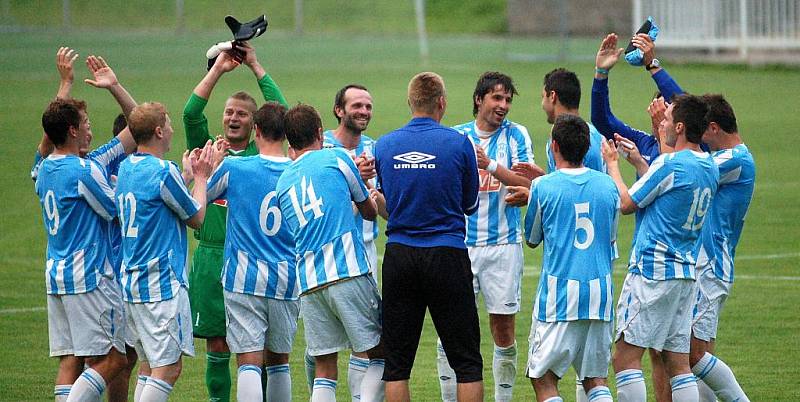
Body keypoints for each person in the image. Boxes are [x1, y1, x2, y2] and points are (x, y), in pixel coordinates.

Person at [183, 42, 288, 402]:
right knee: (218, 342)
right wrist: (218, 70)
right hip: (213, 257)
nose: (232, 118)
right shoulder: (208, 152)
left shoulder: (262, 156)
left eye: (242, 114)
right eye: (229, 112)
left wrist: (257, 67)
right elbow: (191, 113)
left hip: (250, 258)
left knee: (256, 352)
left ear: (255, 124)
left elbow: (282, 113)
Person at [33, 47, 139, 402]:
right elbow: (115, 209)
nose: (90, 129)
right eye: (86, 123)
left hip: (57, 275)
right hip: (90, 275)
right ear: (74, 130)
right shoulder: (85, 170)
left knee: (71, 358)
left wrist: (67, 87)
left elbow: (137, 127)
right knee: (114, 358)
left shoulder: (43, 169)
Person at [601, 94, 719, 402]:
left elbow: (627, 203)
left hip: (652, 273)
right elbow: (668, 195)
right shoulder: (709, 166)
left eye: (665, 119)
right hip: (685, 275)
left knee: (624, 359)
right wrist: (640, 163)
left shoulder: (669, 164)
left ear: (679, 127)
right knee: (677, 363)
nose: (661, 124)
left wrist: (613, 166)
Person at [375, 72, 482, 402]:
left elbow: (386, 200)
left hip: (400, 254)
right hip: (446, 253)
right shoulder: (459, 143)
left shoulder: (385, 145)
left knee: (396, 365)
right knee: (466, 364)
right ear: (442, 103)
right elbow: (471, 204)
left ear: (410, 102)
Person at [275, 104, 384, 402]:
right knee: (380, 353)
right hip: (348, 272)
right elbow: (368, 211)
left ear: (290, 140)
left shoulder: (283, 182)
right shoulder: (336, 157)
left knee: (324, 367)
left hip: (309, 283)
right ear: (320, 133)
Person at [437, 71, 533, 402]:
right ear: (480, 99)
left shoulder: (517, 136)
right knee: (450, 329)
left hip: (504, 245)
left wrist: (490, 165)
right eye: (497, 97)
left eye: (507, 99)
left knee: (503, 329)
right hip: (459, 246)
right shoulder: (455, 137)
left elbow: (528, 182)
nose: (503, 105)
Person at [116, 102, 213, 401]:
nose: (172, 130)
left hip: (132, 284)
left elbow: (159, 201)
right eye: (169, 125)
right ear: (159, 131)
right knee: (168, 368)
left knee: (148, 366)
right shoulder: (163, 170)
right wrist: (201, 177)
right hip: (161, 286)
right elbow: (196, 217)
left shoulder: (126, 167)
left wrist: (183, 178)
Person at [204, 102, 300, 402]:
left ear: (255, 130)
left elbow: (198, 199)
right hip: (287, 278)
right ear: (285, 133)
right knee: (279, 361)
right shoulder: (298, 171)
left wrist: (209, 167)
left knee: (248, 360)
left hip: (243, 278)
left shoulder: (235, 168)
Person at [520, 114, 619, 402]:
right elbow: (609, 237)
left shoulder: (542, 187)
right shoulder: (608, 186)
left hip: (559, 296)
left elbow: (532, 238)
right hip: (600, 295)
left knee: (543, 378)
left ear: (554, 146)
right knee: (595, 379)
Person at [315, 83, 383, 401]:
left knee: (363, 339)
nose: (364, 111)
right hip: (325, 250)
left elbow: (382, 210)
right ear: (339, 110)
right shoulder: (322, 148)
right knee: (322, 345)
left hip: (365, 250)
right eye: (357, 106)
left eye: (368, 106)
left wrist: (369, 184)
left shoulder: (374, 148)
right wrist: (354, 179)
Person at [689, 95, 755, 402]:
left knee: (694, 355)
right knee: (698, 357)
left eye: (701, 129)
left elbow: (692, 170)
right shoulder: (727, 157)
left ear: (714, 128)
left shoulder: (736, 160)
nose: (698, 137)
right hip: (705, 266)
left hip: (711, 266)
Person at [541, 68, 606, 173]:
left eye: (543, 97)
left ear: (552, 96)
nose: (542, 105)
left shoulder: (577, 139)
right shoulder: (594, 134)